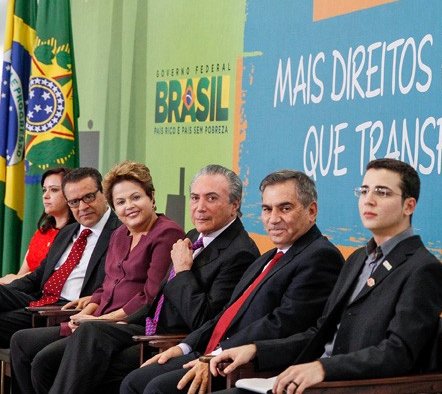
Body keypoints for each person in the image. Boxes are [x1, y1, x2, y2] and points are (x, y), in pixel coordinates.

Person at [207, 159, 442, 394]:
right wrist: (256, 350)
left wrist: (323, 368)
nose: (369, 200)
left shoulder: (423, 269)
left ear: (409, 205)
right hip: (308, 382)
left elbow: (398, 354)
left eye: (382, 193)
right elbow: (318, 333)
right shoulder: (357, 260)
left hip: (346, 386)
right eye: (364, 191)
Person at [12, 164, 260, 394]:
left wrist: (183, 272)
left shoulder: (239, 252)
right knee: (48, 360)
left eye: (211, 198)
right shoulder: (196, 234)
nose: (200, 207)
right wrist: (112, 319)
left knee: (90, 341)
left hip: (167, 336)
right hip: (142, 324)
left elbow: (205, 319)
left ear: (235, 204)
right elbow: (150, 295)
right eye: (195, 198)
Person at [120, 169, 345, 394]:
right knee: (134, 381)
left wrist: (217, 355)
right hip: (211, 353)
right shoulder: (269, 257)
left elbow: (281, 325)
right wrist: (184, 346)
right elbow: (227, 314)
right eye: (267, 209)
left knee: (157, 389)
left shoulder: (319, 256)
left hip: (245, 363)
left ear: (311, 211)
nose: (273, 219)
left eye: (285, 208)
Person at [10, 161, 185, 394]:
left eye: (136, 198)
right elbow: (106, 287)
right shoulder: (120, 233)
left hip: (136, 324)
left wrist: (102, 320)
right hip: (99, 323)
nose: (129, 207)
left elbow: (149, 297)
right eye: (121, 202)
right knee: (38, 357)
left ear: (151, 197)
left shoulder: (166, 233)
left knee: (89, 333)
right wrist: (85, 313)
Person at [0, 167, 121, 348]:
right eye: (74, 202)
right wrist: (6, 290)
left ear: (103, 193)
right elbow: (37, 277)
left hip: (66, 309)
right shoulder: (66, 232)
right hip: (40, 300)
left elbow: (115, 285)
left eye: (88, 197)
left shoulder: (120, 233)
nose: (82, 207)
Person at [0, 167, 76, 285]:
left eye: (54, 190)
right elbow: (21, 273)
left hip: (46, 294)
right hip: (24, 289)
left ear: (70, 195)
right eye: (44, 190)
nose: (45, 196)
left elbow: (50, 274)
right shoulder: (42, 232)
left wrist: (13, 279)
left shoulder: (76, 234)